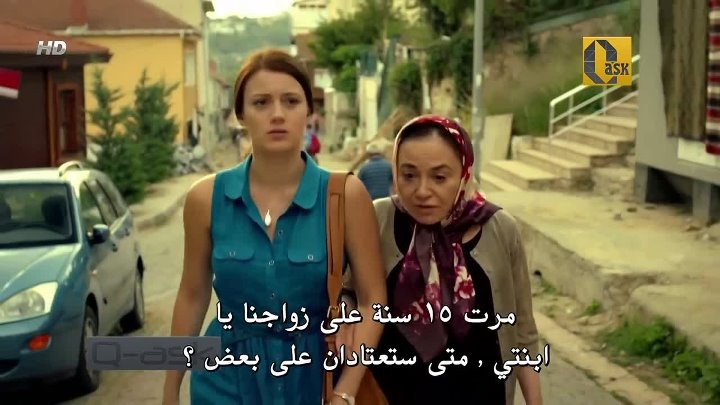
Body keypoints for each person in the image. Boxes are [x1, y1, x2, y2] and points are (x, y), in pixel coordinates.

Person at [162, 48, 387, 405]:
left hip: (314, 379)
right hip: (223, 381)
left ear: (309, 111)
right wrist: (170, 388)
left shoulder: (345, 196)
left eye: (291, 101)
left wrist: (346, 390)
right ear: (240, 115)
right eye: (261, 102)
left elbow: (374, 301)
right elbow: (192, 295)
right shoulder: (205, 199)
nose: (277, 114)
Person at [344, 115, 542, 405]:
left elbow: (523, 330)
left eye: (439, 177)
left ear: (464, 173)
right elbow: (349, 290)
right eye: (409, 175)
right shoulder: (379, 218)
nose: (422, 191)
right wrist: (345, 316)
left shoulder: (500, 229)